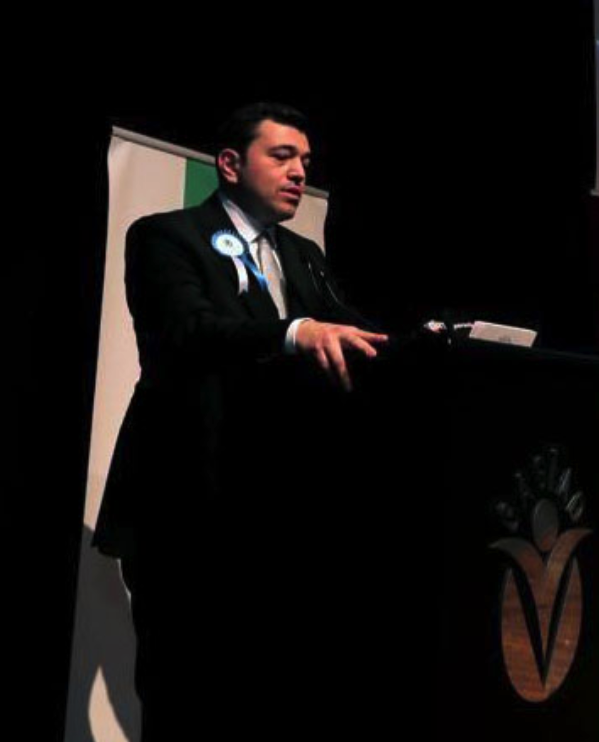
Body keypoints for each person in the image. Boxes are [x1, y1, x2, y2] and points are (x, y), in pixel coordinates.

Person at [94, 102, 388, 739]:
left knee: (261, 695)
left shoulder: (303, 254)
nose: (299, 173)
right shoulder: (165, 236)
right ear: (230, 164)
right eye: (282, 157)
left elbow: (349, 328)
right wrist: (295, 331)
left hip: (271, 514)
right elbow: (188, 331)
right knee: (185, 695)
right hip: (183, 506)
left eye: (305, 161)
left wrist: (431, 342)